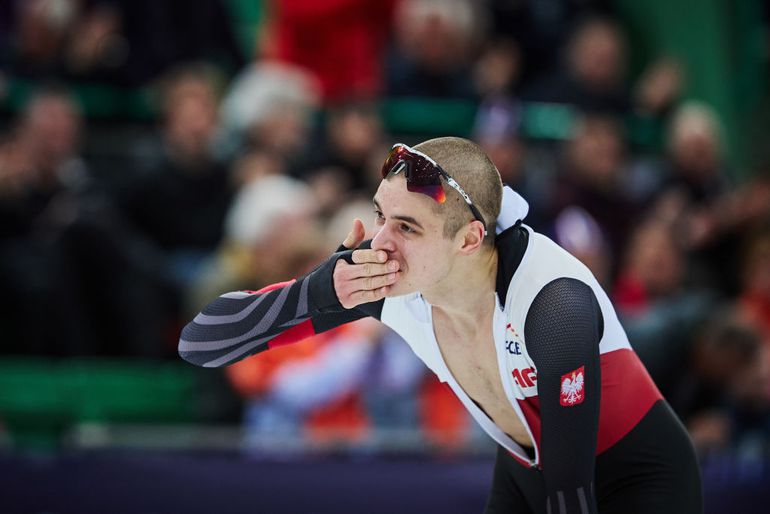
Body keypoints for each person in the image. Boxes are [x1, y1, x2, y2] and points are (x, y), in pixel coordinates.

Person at [179, 137, 703, 513]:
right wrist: (317, 292)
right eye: (381, 215)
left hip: (636, 477)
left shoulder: (552, 304)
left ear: (470, 239)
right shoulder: (385, 282)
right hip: (526, 471)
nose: (380, 241)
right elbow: (201, 341)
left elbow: (572, 487)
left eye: (406, 227)